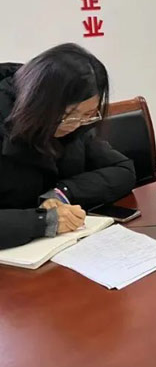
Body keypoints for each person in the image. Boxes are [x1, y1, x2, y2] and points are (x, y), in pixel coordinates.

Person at [0, 44, 136, 249]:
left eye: (88, 115)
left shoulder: (75, 126)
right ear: (40, 103)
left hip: (59, 249)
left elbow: (123, 170)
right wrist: (43, 220)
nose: (76, 124)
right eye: (68, 115)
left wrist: (62, 193)